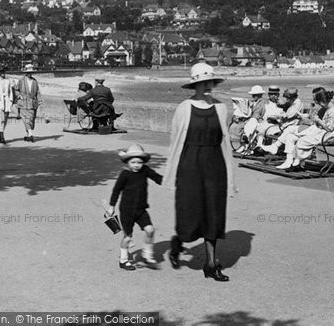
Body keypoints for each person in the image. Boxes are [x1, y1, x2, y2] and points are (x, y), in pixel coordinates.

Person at [164, 62, 237, 282]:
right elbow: (176, 140)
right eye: (202, 83)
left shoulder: (221, 108)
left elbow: (224, 139)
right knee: (189, 211)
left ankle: (211, 263)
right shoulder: (184, 108)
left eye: (210, 82)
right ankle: (178, 243)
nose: (207, 86)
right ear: (194, 85)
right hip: (190, 165)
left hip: (215, 165)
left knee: (213, 212)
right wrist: (174, 171)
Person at [106, 144, 163, 271]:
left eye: (139, 162)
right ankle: (123, 260)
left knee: (150, 230)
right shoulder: (125, 174)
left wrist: (172, 181)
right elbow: (116, 190)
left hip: (141, 210)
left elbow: (158, 178)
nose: (137, 165)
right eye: (133, 162)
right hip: (126, 211)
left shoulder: (146, 170)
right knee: (127, 237)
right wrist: (111, 206)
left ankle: (147, 256)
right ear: (127, 162)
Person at [15, 64, 41, 142]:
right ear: (25, 73)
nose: (30, 74)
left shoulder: (35, 81)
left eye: (31, 72)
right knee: (26, 119)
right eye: (28, 72)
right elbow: (16, 90)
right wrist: (19, 95)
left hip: (32, 103)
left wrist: (40, 101)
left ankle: (28, 135)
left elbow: (38, 92)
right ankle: (30, 133)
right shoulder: (21, 80)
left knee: (31, 120)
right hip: (23, 103)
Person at [239, 85, 266, 153]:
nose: (254, 96)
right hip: (251, 120)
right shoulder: (251, 102)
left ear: (260, 95)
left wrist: (259, 118)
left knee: (253, 122)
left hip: (259, 121)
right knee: (250, 124)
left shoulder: (263, 103)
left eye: (255, 95)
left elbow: (263, 113)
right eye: (253, 95)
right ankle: (245, 145)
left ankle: (246, 142)